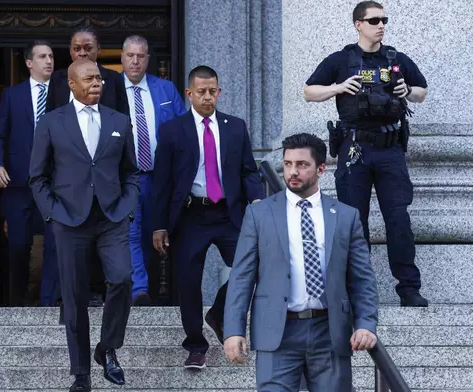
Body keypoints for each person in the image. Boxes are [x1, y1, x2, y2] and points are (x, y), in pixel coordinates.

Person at [224, 133, 379, 391]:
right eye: (287, 164)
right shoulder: (259, 214)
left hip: (329, 331)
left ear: (320, 169)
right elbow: (241, 276)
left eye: (302, 164)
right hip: (277, 331)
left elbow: (362, 279)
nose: (292, 171)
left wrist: (366, 324)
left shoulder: (345, 216)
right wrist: (233, 330)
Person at [303, 0, 428, 307]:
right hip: (355, 148)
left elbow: (422, 90)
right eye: (374, 20)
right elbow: (309, 91)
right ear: (358, 24)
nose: (381, 25)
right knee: (353, 221)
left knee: (398, 218)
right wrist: (338, 87)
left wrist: (406, 91)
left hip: (390, 149)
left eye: (384, 19)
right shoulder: (342, 60)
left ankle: (409, 288)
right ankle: (356, 290)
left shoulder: (395, 58)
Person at [29, 59, 139, 392]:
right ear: (72, 85)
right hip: (69, 220)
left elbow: (131, 172)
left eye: (100, 79)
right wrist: (52, 213)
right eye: (89, 79)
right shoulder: (51, 122)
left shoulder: (119, 120)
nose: (97, 83)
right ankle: (81, 374)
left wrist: (126, 207)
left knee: (122, 278)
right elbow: (37, 176)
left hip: (111, 217)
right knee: (75, 297)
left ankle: (106, 348)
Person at [152, 65, 263, 369]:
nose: (207, 97)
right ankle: (195, 345)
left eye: (212, 91)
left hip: (229, 213)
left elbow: (248, 171)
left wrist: (257, 201)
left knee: (252, 265)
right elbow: (162, 182)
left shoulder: (235, 127)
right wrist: (159, 225)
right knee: (188, 282)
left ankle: (218, 312)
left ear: (219, 92)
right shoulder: (173, 130)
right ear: (189, 94)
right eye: (200, 91)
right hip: (190, 215)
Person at [47, 27, 130, 306]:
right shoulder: (58, 80)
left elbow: (124, 126)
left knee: (116, 268)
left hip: (107, 187)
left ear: (98, 50)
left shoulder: (113, 80)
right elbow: (50, 129)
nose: (82, 52)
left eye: (88, 48)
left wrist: (126, 201)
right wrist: (52, 208)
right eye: (76, 48)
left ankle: (100, 294)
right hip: (69, 191)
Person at [0, 40, 60, 307]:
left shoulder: (63, 93)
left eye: (51, 56)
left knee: (54, 245)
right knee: (18, 245)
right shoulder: (12, 95)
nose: (49, 61)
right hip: (18, 183)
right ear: (29, 63)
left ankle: (48, 302)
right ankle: (18, 303)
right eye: (42, 56)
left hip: (54, 183)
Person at [120, 35, 187, 306]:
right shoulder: (110, 89)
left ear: (148, 59)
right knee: (131, 233)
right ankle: (139, 290)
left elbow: (183, 130)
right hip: (127, 177)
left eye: (141, 56)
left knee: (155, 234)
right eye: (130, 55)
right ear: (122, 57)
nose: (135, 61)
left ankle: (151, 290)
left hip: (161, 176)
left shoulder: (166, 89)